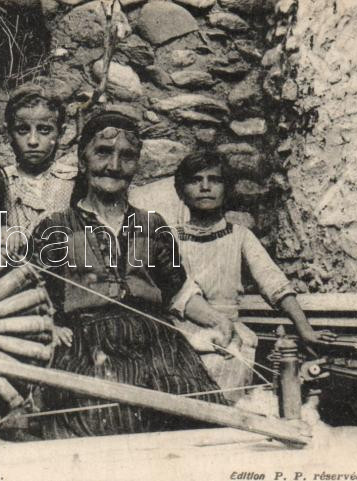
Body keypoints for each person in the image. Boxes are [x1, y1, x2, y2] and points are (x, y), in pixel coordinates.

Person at [32, 111, 233, 439]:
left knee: (194, 417)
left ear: (136, 164)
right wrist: (48, 326)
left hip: (156, 344)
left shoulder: (152, 225)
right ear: (82, 162)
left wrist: (216, 320)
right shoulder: (54, 227)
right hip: (87, 346)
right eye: (102, 153)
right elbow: (32, 292)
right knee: (101, 418)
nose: (113, 165)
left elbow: (178, 292)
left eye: (127, 156)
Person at [172, 150, 337, 401]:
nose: (205, 187)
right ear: (181, 191)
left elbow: (274, 282)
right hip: (179, 334)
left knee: (227, 399)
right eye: (196, 180)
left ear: (226, 189)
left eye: (214, 180)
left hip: (229, 337)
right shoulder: (169, 237)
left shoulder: (239, 236)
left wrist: (304, 329)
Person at [3, 83, 77, 234]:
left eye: (44, 130)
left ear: (60, 133)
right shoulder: (1, 182)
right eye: (23, 130)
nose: (33, 141)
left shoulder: (74, 181)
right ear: (9, 133)